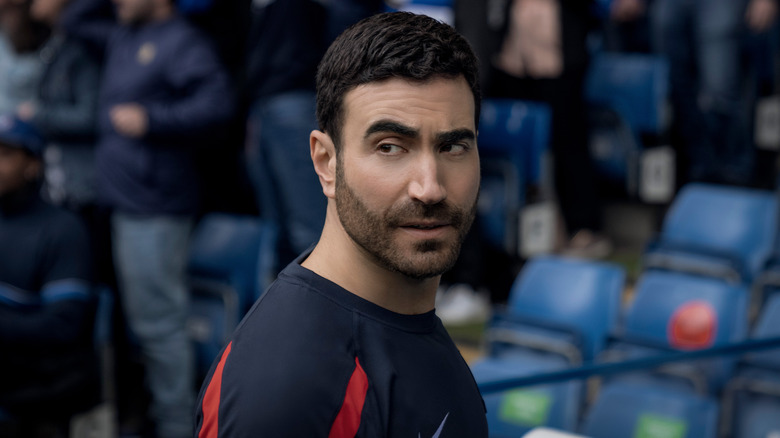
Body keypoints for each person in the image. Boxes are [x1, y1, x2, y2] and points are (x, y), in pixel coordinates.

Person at [195, 12, 488, 437]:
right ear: (326, 163)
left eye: (454, 146)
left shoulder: (400, 319)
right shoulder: (292, 386)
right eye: (390, 147)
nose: (430, 187)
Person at [62, 0, 233, 436]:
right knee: (141, 325)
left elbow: (218, 103)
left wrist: (153, 118)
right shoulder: (125, 32)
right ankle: (161, 417)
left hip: (154, 207)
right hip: (120, 204)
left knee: (160, 326)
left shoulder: (182, 41)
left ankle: (179, 428)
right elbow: (73, 18)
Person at [0, 114, 98, 437]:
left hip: (37, 379)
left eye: (5, 154)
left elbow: (63, 325)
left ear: (33, 165)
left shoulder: (63, 229)